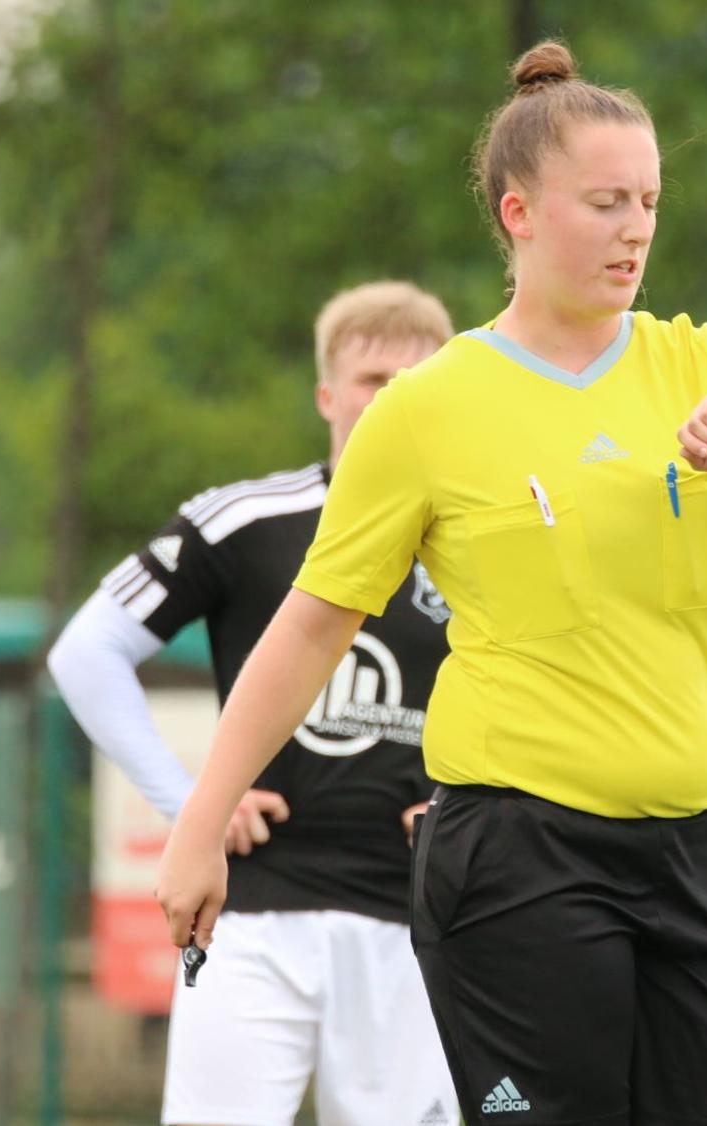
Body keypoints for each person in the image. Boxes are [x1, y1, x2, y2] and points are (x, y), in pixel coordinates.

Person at [154, 41, 707, 1126]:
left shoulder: (700, 364)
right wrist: (198, 825)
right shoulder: (425, 409)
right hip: (517, 852)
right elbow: (309, 625)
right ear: (519, 213)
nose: (636, 228)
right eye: (606, 201)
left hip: (701, 844)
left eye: (650, 202)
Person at [49, 281, 461, 1126]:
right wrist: (193, 803)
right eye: (372, 378)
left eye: (416, 380)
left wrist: (472, 805)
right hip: (252, 913)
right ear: (326, 394)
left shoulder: (487, 536)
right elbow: (86, 655)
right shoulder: (248, 520)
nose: (393, 398)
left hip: (417, 922)